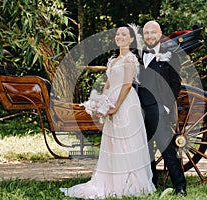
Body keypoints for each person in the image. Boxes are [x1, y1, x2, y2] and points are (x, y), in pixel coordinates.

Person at [59, 24, 156, 199]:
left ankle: (130, 183)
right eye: (118, 34)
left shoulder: (130, 59)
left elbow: (127, 85)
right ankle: (111, 180)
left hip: (125, 103)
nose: (119, 36)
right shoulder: (113, 60)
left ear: (131, 39)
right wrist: (100, 102)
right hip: (112, 100)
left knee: (126, 140)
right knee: (112, 142)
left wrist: (116, 105)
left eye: (124, 34)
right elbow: (108, 83)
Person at [136, 20, 187, 196]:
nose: (149, 36)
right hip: (139, 109)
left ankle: (180, 186)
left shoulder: (171, 55)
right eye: (147, 33)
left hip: (158, 108)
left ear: (160, 34)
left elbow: (175, 84)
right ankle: (151, 184)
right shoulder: (138, 54)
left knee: (167, 149)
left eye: (153, 32)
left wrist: (166, 106)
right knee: (145, 149)